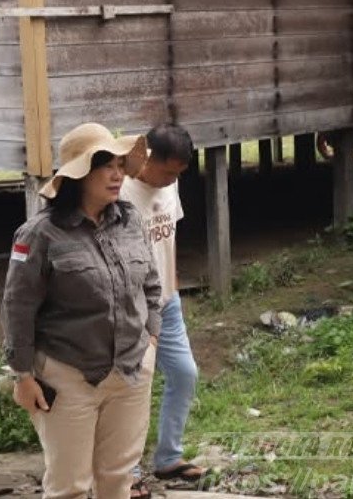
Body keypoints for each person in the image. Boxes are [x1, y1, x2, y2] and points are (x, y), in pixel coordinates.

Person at [1, 122, 162, 499]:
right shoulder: (39, 234)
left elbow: (152, 285)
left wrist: (151, 339)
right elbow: (17, 306)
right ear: (79, 174)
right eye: (105, 165)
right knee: (69, 487)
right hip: (67, 376)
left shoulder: (131, 220)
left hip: (131, 371)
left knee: (119, 479)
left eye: (120, 165)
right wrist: (22, 375)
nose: (117, 174)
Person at [119, 124, 204, 497]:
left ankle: (169, 457)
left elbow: (168, 236)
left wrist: (173, 285)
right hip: (132, 307)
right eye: (168, 171)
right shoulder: (119, 191)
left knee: (185, 374)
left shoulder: (171, 185)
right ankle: (127, 472)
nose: (172, 180)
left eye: (178, 174)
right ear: (147, 157)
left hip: (167, 302)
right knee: (132, 387)